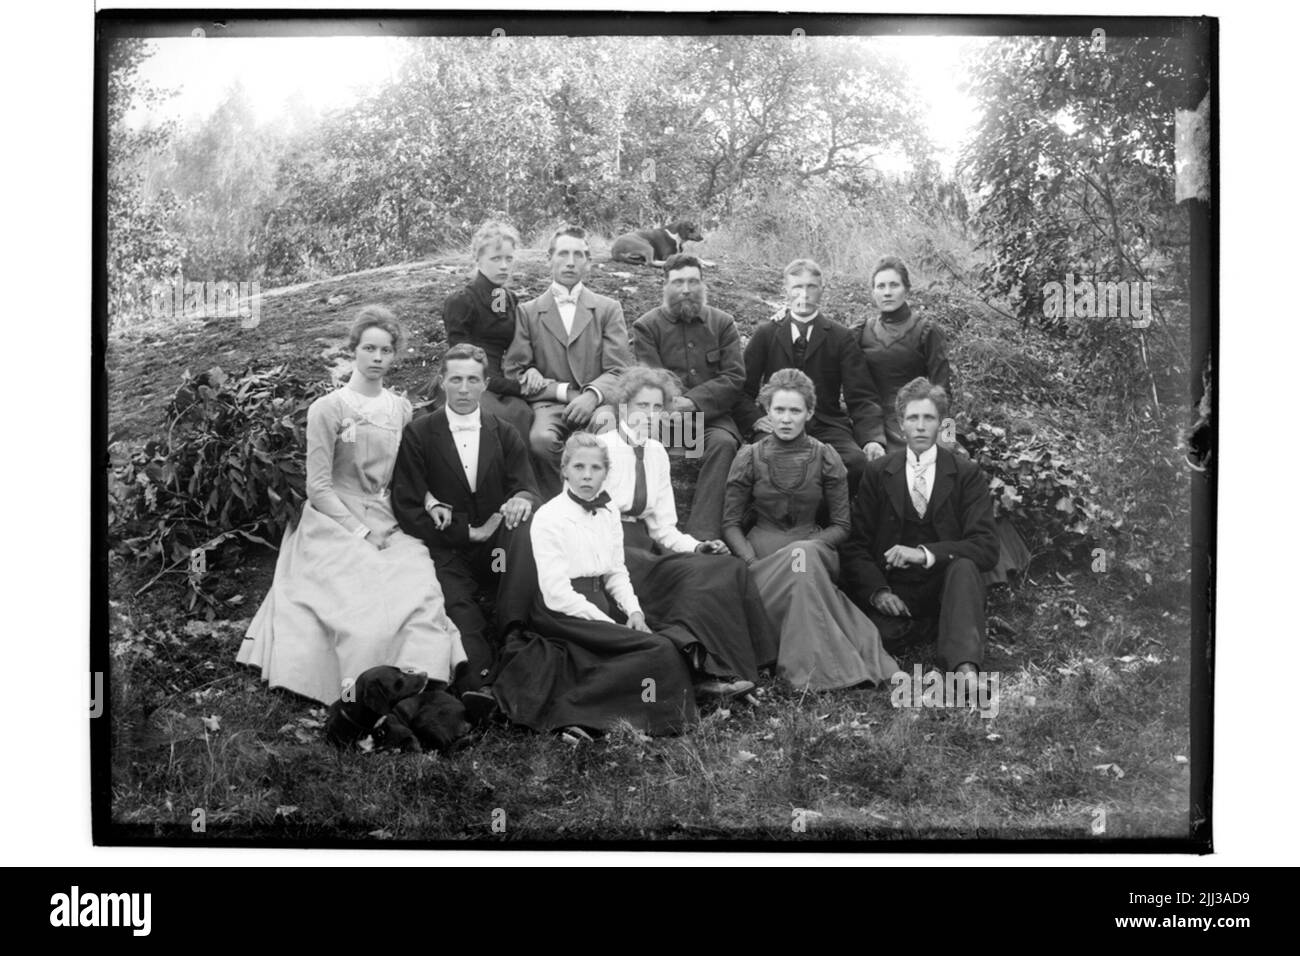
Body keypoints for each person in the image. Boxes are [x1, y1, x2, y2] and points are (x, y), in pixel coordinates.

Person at [237, 306, 466, 705]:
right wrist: (361, 532)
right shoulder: (329, 408)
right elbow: (318, 487)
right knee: (357, 601)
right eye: (369, 348)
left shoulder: (400, 409)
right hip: (334, 518)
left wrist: (429, 502)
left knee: (417, 586)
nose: (377, 358)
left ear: (395, 355)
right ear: (353, 350)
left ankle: (416, 677)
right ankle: (361, 683)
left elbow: (406, 474)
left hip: (388, 515)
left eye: (386, 350)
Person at [491, 433, 700, 736]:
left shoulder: (609, 510)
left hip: (598, 601)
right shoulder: (549, 517)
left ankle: (630, 714)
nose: (587, 475)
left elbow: (615, 571)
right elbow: (555, 592)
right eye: (579, 467)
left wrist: (634, 612)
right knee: (657, 650)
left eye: (595, 468)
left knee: (660, 639)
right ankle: (581, 713)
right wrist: (607, 625)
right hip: (561, 612)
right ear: (564, 470)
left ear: (606, 472)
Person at [599, 365, 777, 693]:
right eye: (641, 405)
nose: (650, 414)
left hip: (645, 545)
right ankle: (704, 674)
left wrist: (697, 547)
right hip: (609, 549)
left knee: (727, 568)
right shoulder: (602, 448)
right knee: (691, 586)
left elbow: (663, 528)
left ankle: (749, 665)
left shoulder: (656, 452)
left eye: (657, 407)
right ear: (623, 407)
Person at [722, 368, 900, 692]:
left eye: (795, 410)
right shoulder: (748, 456)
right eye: (779, 410)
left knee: (802, 560)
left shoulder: (826, 456)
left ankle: (813, 674)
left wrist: (809, 546)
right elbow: (730, 523)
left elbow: (842, 525)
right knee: (798, 567)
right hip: (761, 557)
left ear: (810, 413)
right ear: (767, 411)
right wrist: (749, 562)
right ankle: (824, 670)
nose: (786, 419)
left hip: (814, 551)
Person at [855, 255, 1028, 584]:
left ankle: (977, 565)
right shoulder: (861, 333)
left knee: (954, 469)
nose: (887, 292)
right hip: (882, 423)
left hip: (923, 418)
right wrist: (871, 436)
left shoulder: (926, 331)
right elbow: (859, 392)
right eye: (880, 286)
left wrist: (946, 436)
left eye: (894, 285)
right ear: (873, 291)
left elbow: (942, 390)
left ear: (907, 289)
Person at [391, 343, 540, 714]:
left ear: (485, 384)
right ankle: (481, 683)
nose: (463, 389)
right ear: (442, 381)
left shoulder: (503, 432)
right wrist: (463, 532)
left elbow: (525, 485)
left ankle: (514, 638)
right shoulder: (419, 433)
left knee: (523, 532)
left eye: (473, 380)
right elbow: (407, 506)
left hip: (495, 551)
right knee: (459, 604)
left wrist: (521, 498)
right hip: (448, 545)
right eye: (455, 379)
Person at [839, 376, 999, 695]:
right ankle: (938, 628)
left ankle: (965, 666)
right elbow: (855, 545)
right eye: (913, 418)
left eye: (929, 418)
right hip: (897, 588)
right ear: (900, 425)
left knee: (965, 566)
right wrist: (879, 592)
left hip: (947, 585)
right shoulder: (877, 472)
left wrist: (925, 553)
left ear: (942, 424)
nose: (921, 426)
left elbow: (986, 547)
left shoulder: (966, 474)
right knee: (879, 636)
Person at [503, 225, 633, 498]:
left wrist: (592, 396)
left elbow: (619, 369)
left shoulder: (608, 309)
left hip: (598, 403)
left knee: (607, 429)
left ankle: (604, 502)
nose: (570, 262)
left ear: (588, 262)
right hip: (550, 405)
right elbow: (515, 371)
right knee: (540, 440)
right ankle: (561, 501)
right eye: (563, 254)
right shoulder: (528, 311)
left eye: (578, 255)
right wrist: (540, 378)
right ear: (549, 259)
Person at [737, 258, 886, 494]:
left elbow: (861, 396)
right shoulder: (766, 334)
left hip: (827, 424)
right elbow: (743, 389)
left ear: (822, 290)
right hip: (778, 423)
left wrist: (872, 438)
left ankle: (830, 516)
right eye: (797, 287)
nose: (804, 295)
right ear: (786, 290)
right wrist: (755, 419)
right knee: (768, 461)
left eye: (811, 287)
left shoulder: (840, 337)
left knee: (855, 463)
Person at [629, 254, 746, 540]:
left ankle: (701, 538)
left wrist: (693, 402)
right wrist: (673, 406)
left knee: (723, 444)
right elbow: (651, 379)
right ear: (666, 285)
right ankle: (646, 534)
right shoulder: (647, 326)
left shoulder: (723, 324)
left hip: (710, 419)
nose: (686, 289)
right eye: (678, 282)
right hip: (664, 418)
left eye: (693, 282)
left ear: (702, 285)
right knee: (639, 439)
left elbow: (734, 377)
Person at [439, 220, 533, 440]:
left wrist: (528, 371)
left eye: (509, 259)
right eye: (496, 259)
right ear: (478, 259)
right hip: (470, 379)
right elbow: (461, 359)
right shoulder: (462, 301)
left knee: (523, 412)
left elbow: (509, 339)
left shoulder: (505, 298)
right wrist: (511, 386)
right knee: (499, 418)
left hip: (503, 379)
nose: (504, 266)